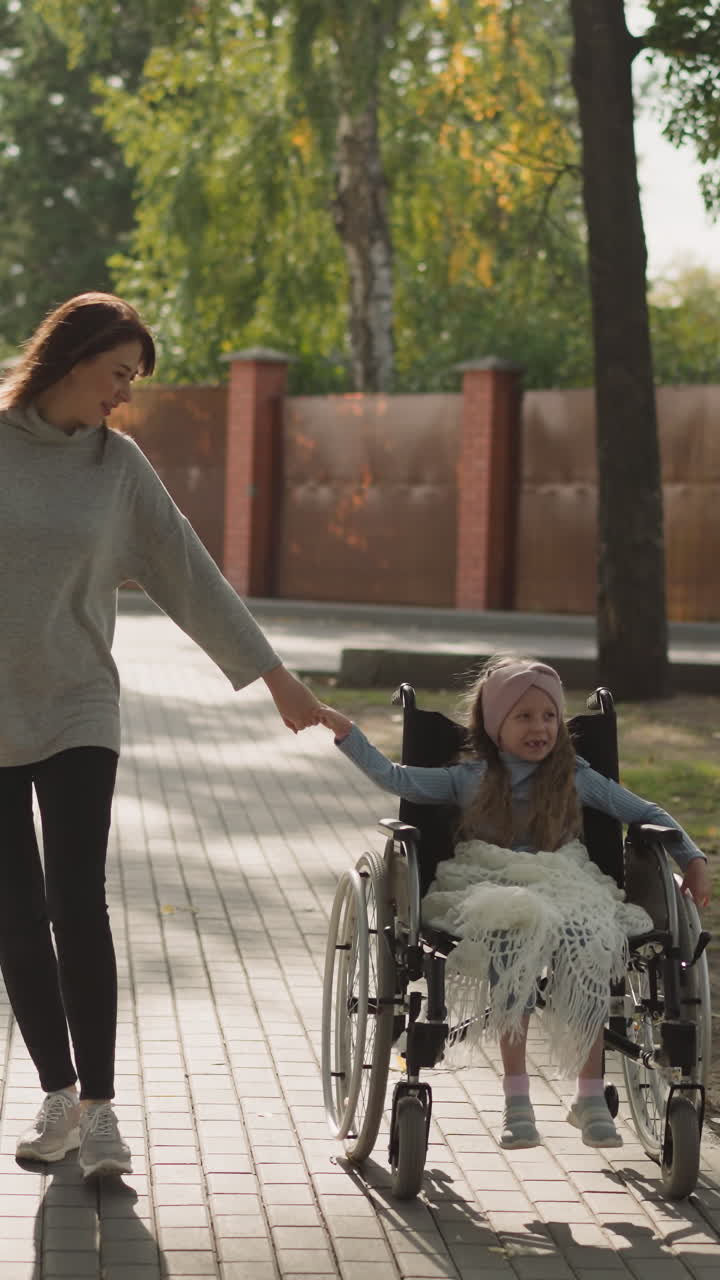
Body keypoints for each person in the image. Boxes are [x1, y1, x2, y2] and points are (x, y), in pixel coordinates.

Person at [0, 292, 321, 1178]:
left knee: (76, 900)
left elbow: (188, 573)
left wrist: (274, 677)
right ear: (72, 358)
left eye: (133, 381)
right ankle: (57, 1094)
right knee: (15, 917)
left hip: (78, 708)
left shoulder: (118, 465)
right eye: (117, 375)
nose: (123, 396)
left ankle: (100, 1114)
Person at [318, 655, 711, 1150]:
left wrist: (691, 858)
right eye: (524, 717)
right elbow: (396, 779)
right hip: (488, 879)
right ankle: (517, 1098)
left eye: (549, 717)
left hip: (564, 880)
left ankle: (590, 1095)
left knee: (589, 936)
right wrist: (345, 731)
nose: (540, 728)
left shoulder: (576, 777)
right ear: (494, 724)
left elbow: (644, 811)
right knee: (515, 925)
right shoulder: (468, 777)